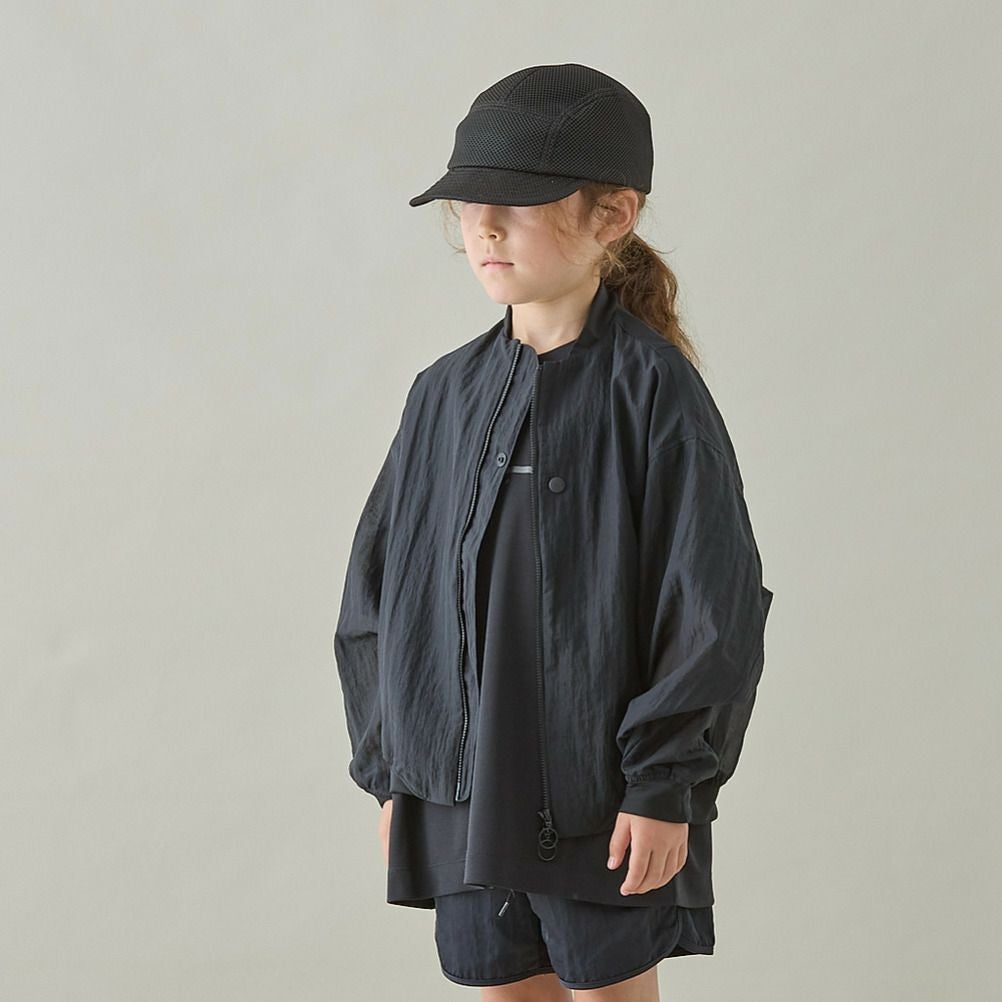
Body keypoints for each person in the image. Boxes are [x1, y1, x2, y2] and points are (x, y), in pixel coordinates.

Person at [333, 63, 774, 1000]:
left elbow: (712, 606)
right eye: (469, 204)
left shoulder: (654, 392)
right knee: (500, 988)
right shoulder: (441, 396)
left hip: (601, 797)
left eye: (518, 201)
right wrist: (394, 774)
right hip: (459, 790)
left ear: (613, 215)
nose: (484, 226)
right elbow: (377, 597)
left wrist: (663, 787)